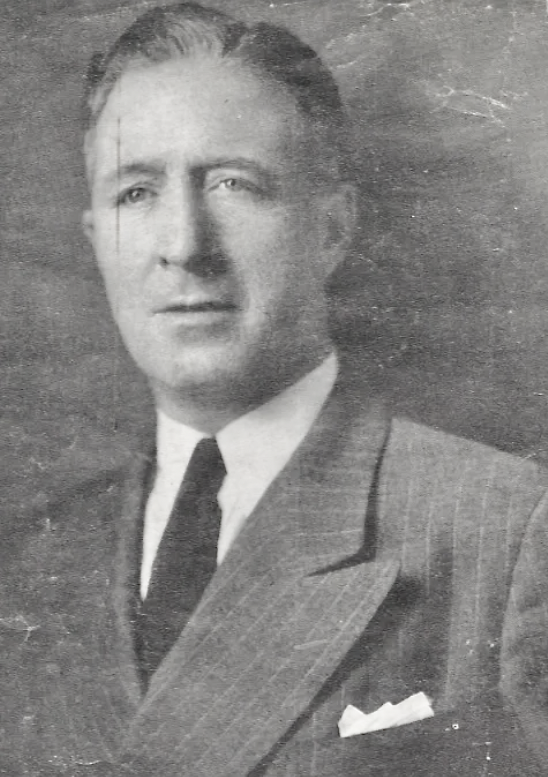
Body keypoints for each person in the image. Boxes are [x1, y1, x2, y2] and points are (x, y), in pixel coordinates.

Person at [0, 3, 547, 775]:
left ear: (331, 229)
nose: (184, 244)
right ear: (96, 241)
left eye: (234, 184)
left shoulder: (508, 530)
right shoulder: (28, 560)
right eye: (136, 193)